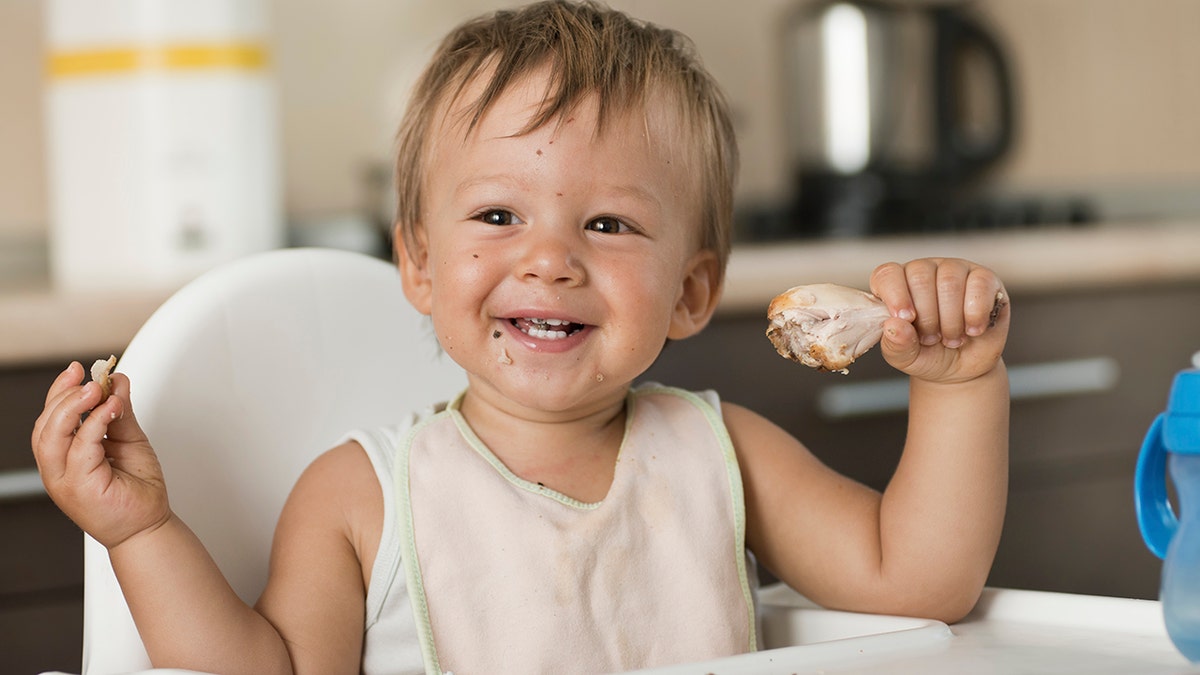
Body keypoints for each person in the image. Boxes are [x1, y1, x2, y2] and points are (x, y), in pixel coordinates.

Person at [30, 1, 1010, 673]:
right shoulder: (361, 497)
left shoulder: (724, 453)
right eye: (498, 217)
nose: (549, 260)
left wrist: (960, 385)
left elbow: (921, 581)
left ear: (691, 291)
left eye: (609, 224)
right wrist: (143, 533)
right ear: (418, 264)